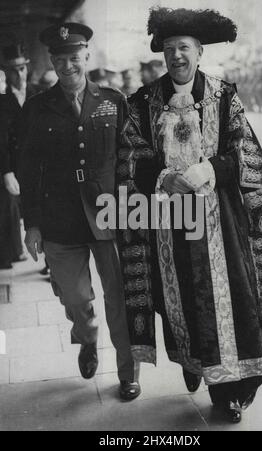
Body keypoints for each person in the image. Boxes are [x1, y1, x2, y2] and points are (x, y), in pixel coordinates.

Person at [116, 7, 262, 423]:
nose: (177, 56)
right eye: (171, 49)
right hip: (169, 225)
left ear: (199, 53)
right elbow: (129, 157)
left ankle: (230, 390)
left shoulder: (225, 95)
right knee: (181, 302)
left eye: (185, 48)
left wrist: (211, 168)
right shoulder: (143, 102)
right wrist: (162, 176)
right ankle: (198, 366)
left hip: (221, 222)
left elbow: (243, 151)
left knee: (232, 298)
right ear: (162, 54)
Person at [19, 23, 140, 400]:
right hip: (59, 219)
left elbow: (130, 157)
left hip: (110, 214)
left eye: (74, 57)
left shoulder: (113, 99)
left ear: (87, 56)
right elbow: (28, 168)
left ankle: (127, 373)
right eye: (60, 58)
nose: (67, 65)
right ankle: (86, 337)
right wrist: (33, 223)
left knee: (120, 299)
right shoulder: (37, 108)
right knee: (75, 298)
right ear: (53, 61)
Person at [0, 43, 35, 267]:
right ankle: (10, 254)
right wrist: (6, 171)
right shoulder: (1, 102)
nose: (19, 74)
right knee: (8, 205)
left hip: (39, 162)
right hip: (14, 164)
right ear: (6, 72)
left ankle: (52, 261)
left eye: (22, 69)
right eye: (13, 70)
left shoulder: (39, 94)